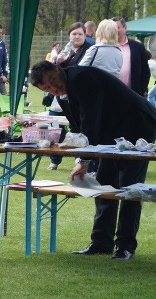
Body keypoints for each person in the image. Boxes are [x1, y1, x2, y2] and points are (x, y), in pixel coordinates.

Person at [30, 61, 156, 261]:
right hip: (110, 133)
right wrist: (82, 157)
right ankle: (101, 242)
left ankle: (125, 246)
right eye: (47, 88)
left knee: (130, 187)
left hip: (137, 124)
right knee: (104, 183)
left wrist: (84, 161)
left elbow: (90, 123)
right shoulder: (62, 95)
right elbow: (79, 128)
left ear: (58, 69)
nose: (54, 88)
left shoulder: (83, 79)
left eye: (53, 81)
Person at [47, 22, 94, 170]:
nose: (77, 36)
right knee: (56, 126)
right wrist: (58, 62)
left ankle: (81, 160)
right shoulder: (66, 51)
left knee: (79, 128)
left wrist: (64, 63)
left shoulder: (88, 50)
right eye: (74, 34)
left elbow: (77, 71)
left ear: (85, 35)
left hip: (77, 97)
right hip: (61, 97)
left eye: (80, 34)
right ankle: (54, 159)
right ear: (69, 36)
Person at [112, 16, 151, 97]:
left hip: (133, 94)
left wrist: (140, 91)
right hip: (112, 93)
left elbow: (145, 71)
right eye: (112, 28)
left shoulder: (138, 47)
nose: (115, 30)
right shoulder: (107, 47)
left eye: (118, 27)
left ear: (125, 28)